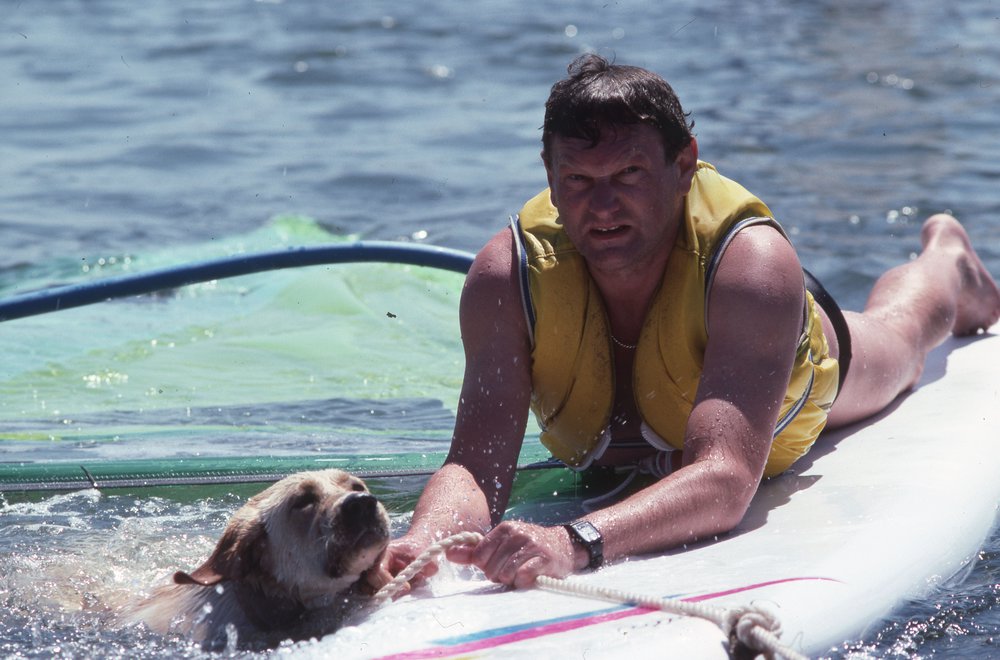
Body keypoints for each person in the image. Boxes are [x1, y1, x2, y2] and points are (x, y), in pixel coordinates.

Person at [367, 54, 1000, 593]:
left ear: (684, 165)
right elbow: (477, 469)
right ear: (551, 183)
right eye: (579, 181)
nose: (604, 205)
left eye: (630, 175)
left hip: (785, 366)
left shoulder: (751, 266)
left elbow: (725, 481)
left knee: (902, 337)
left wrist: (573, 542)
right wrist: (422, 542)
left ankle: (948, 266)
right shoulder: (504, 278)